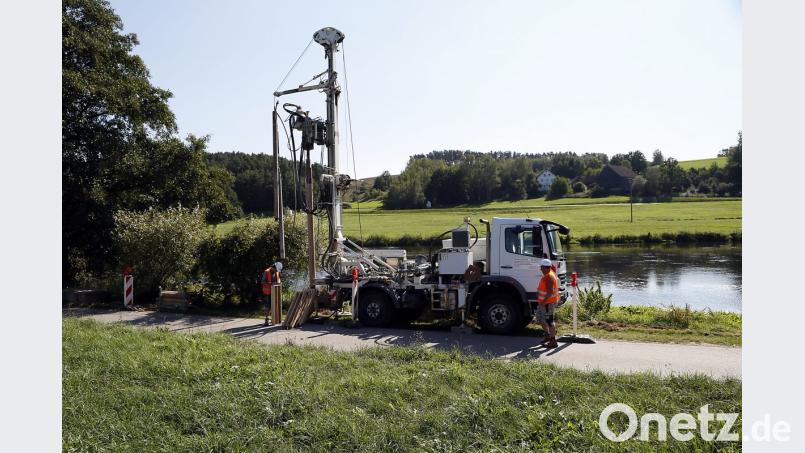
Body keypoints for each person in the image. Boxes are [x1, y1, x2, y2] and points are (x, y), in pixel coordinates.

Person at [536, 258, 560, 348]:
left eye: (541, 267)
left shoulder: (549, 277)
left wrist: (543, 302)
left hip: (547, 303)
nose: (540, 269)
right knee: (540, 318)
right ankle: (548, 335)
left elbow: (550, 292)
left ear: (545, 267)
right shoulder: (548, 273)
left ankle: (553, 340)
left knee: (550, 321)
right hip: (544, 303)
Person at [261, 262, 282, 326]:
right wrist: (270, 283)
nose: (276, 271)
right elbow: (262, 282)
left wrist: (279, 283)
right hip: (267, 292)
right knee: (267, 306)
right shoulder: (266, 272)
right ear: (273, 267)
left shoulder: (277, 272)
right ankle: (266, 319)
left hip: (275, 292)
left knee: (274, 305)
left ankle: (274, 319)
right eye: (276, 270)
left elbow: (279, 279)